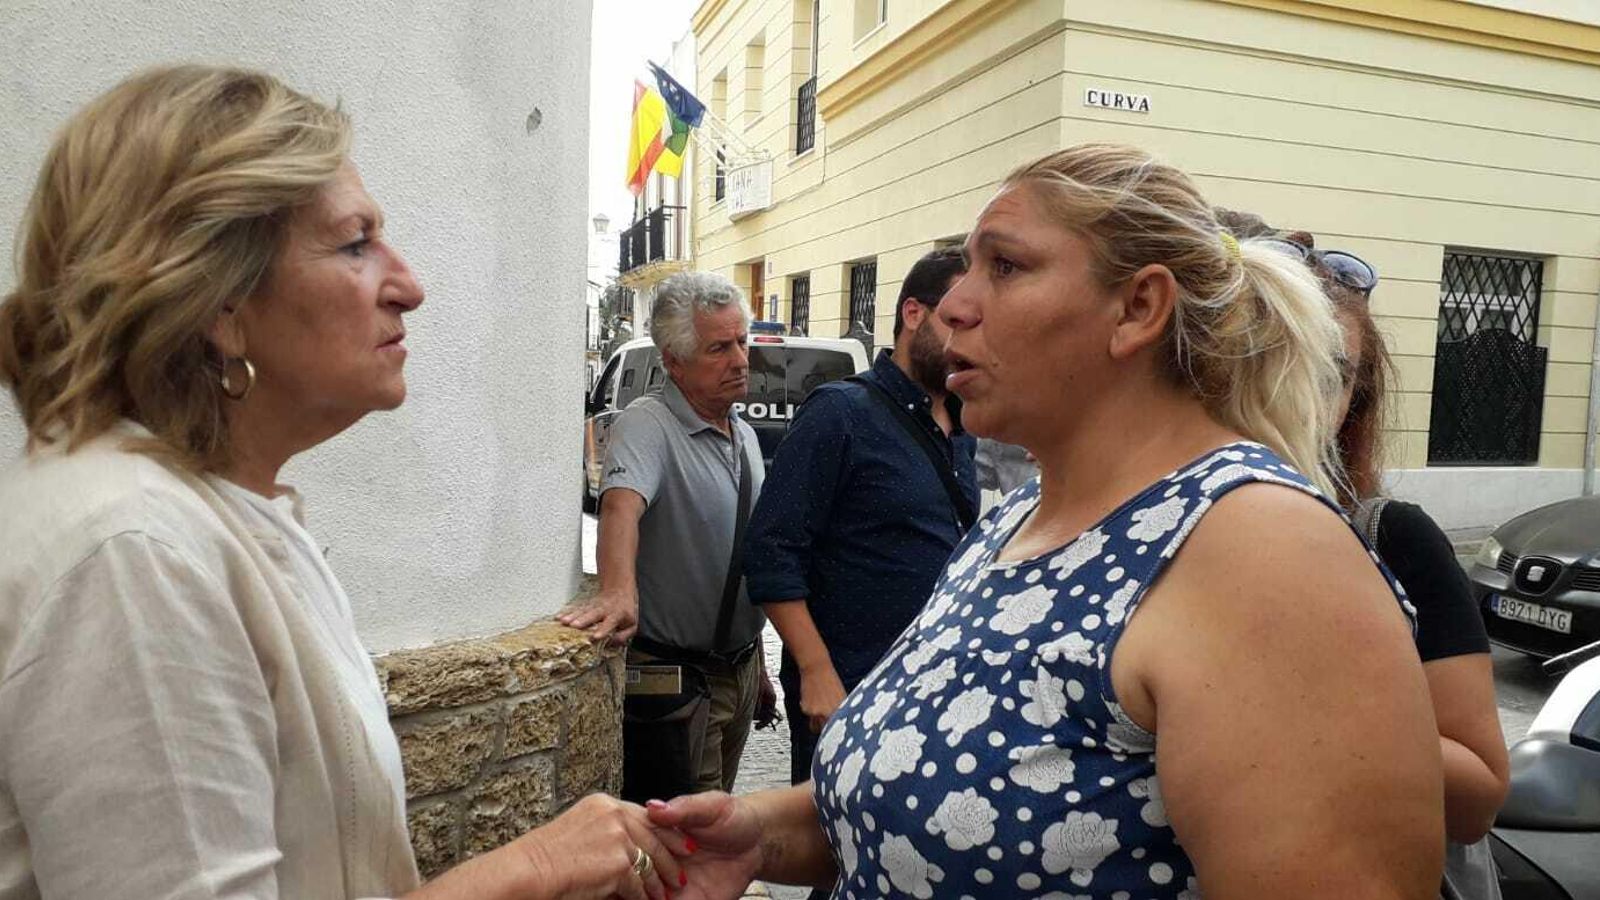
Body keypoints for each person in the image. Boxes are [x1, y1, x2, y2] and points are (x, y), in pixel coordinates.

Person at [646, 143, 1446, 899]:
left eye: (1005, 265)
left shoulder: (1264, 557)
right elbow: (928, 804)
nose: (953, 307)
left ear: (1138, 308)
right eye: (967, 267)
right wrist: (754, 832)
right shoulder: (1016, 523)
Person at [0, 66, 682, 900]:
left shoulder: (211, 518)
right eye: (355, 243)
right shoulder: (134, 555)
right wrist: (534, 868)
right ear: (219, 300)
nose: (409, 286)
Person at [1297, 231, 1509, 899]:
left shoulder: (1392, 540)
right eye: (1277, 361)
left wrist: (1307, 703)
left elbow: (1477, 801)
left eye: (1335, 377)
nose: (1302, 398)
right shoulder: (1145, 538)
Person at [744, 247, 978, 794]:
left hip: (931, 688)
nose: (967, 340)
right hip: (850, 689)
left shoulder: (962, 423)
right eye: (956, 321)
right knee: (832, 857)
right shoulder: (841, 413)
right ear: (914, 314)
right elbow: (771, 550)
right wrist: (817, 674)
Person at [558, 271, 769, 798]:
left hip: (738, 670)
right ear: (673, 362)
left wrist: (758, 668)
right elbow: (620, 507)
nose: (740, 360)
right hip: (681, 683)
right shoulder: (647, 425)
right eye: (719, 348)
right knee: (693, 844)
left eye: (742, 341)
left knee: (715, 830)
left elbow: (741, 558)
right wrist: (617, 590)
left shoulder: (741, 432)